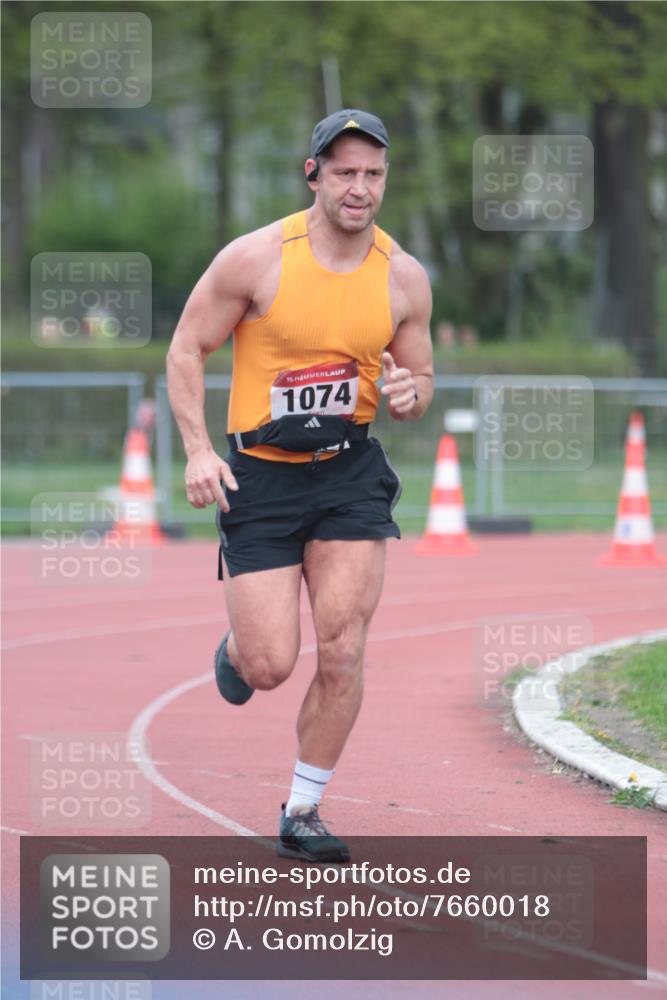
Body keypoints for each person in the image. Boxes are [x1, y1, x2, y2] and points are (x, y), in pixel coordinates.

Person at [167, 108, 433, 862]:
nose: (360, 188)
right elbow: (187, 349)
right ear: (312, 174)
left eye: (373, 174)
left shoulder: (403, 275)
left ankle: (304, 807)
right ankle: (237, 647)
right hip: (260, 477)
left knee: (343, 647)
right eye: (344, 172)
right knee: (269, 665)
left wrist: (414, 396)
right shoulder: (256, 260)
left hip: (349, 473)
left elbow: (419, 378)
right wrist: (195, 451)